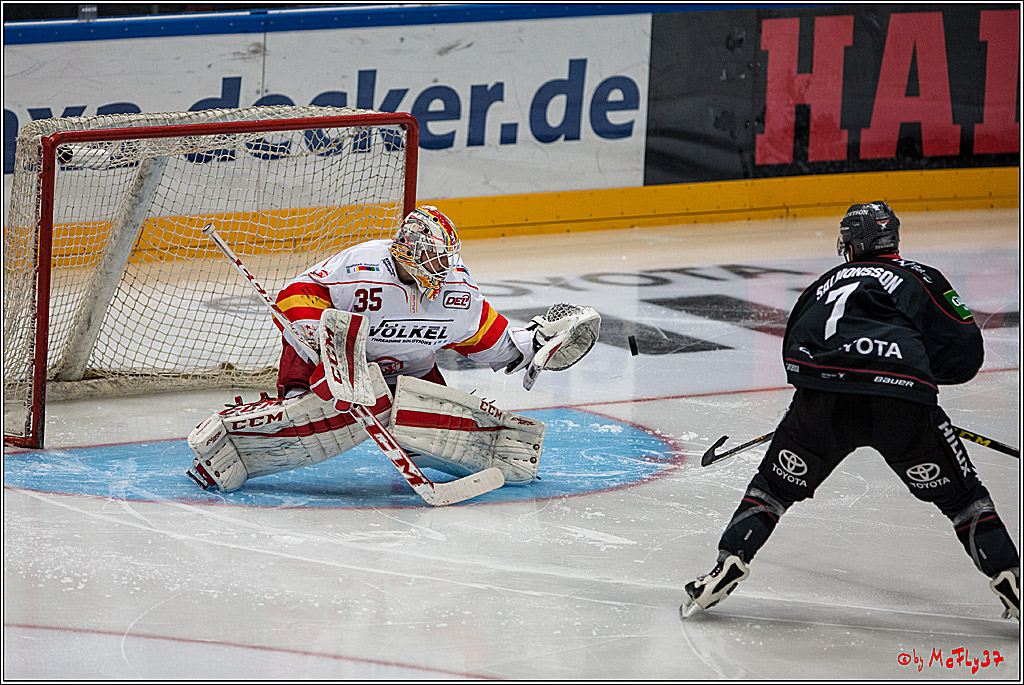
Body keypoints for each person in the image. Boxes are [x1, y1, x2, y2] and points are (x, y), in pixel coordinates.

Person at [681, 201, 1020, 621]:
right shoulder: (922, 276)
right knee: (965, 500)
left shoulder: (824, 282)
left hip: (824, 404)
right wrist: (915, 375)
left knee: (771, 489)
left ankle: (729, 562)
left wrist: (821, 389)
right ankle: (1008, 575)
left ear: (855, 242)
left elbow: (794, 349)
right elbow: (965, 351)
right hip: (901, 404)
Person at [185, 206, 599, 493]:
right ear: (409, 251)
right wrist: (321, 340)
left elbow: (488, 339)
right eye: (434, 259)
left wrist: (534, 346)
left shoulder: (456, 291)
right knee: (309, 417)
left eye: (445, 259)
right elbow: (297, 293)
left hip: (410, 371)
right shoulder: (361, 267)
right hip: (339, 361)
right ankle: (234, 444)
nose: (443, 268)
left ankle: (491, 454)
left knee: (434, 426)